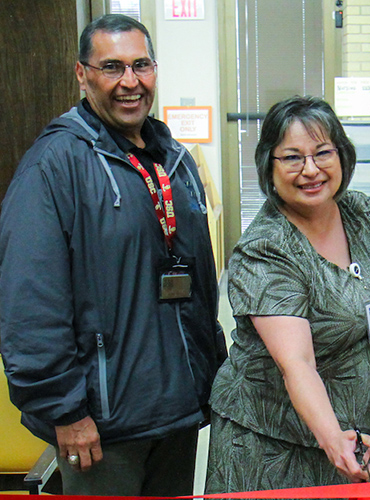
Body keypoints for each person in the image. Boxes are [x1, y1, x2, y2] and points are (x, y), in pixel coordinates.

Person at [0, 14, 225, 496]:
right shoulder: (55, 164)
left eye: (140, 65)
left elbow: (199, 285)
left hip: (175, 413)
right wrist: (65, 411)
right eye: (111, 67)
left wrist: (207, 378)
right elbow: (29, 301)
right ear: (82, 75)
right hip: (100, 425)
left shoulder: (171, 157)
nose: (130, 82)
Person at [205, 96, 370, 491]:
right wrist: (333, 441)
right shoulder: (266, 249)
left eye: (323, 153)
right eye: (292, 157)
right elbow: (297, 363)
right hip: (271, 445)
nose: (310, 170)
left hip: (348, 435)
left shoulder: (355, 211)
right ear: (269, 167)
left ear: (342, 156)